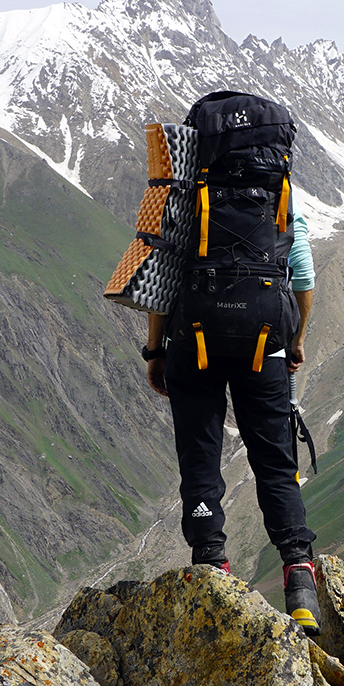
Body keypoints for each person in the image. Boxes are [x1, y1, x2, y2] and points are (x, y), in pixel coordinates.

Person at [141, 190, 321, 634]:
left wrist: (155, 350)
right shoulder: (274, 180)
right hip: (263, 344)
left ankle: (211, 570)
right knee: (277, 465)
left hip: (192, 340)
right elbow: (302, 272)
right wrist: (295, 340)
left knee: (200, 458)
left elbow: (157, 270)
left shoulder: (183, 184)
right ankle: (300, 581)